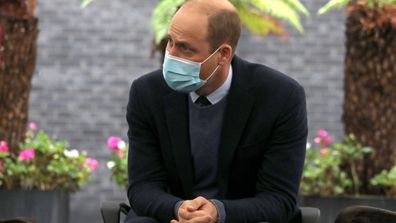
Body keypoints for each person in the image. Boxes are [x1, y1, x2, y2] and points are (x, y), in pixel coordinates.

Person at [125, 0, 307, 222]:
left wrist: (218, 212)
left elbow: (279, 198)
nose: (170, 54)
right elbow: (143, 185)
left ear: (223, 54)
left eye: (185, 48)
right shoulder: (147, 93)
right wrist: (179, 209)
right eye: (170, 41)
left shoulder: (281, 97)